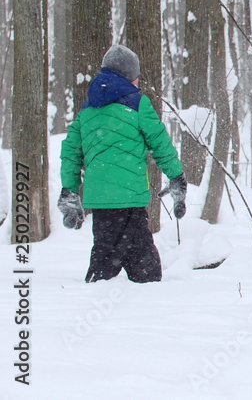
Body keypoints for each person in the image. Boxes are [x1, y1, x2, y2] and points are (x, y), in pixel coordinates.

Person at [58, 45, 187, 283]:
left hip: (101, 204)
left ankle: (93, 305)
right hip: (131, 202)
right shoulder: (138, 104)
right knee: (147, 275)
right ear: (129, 77)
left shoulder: (87, 110)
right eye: (136, 77)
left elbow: (70, 153)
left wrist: (69, 190)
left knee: (102, 269)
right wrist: (176, 177)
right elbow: (160, 144)